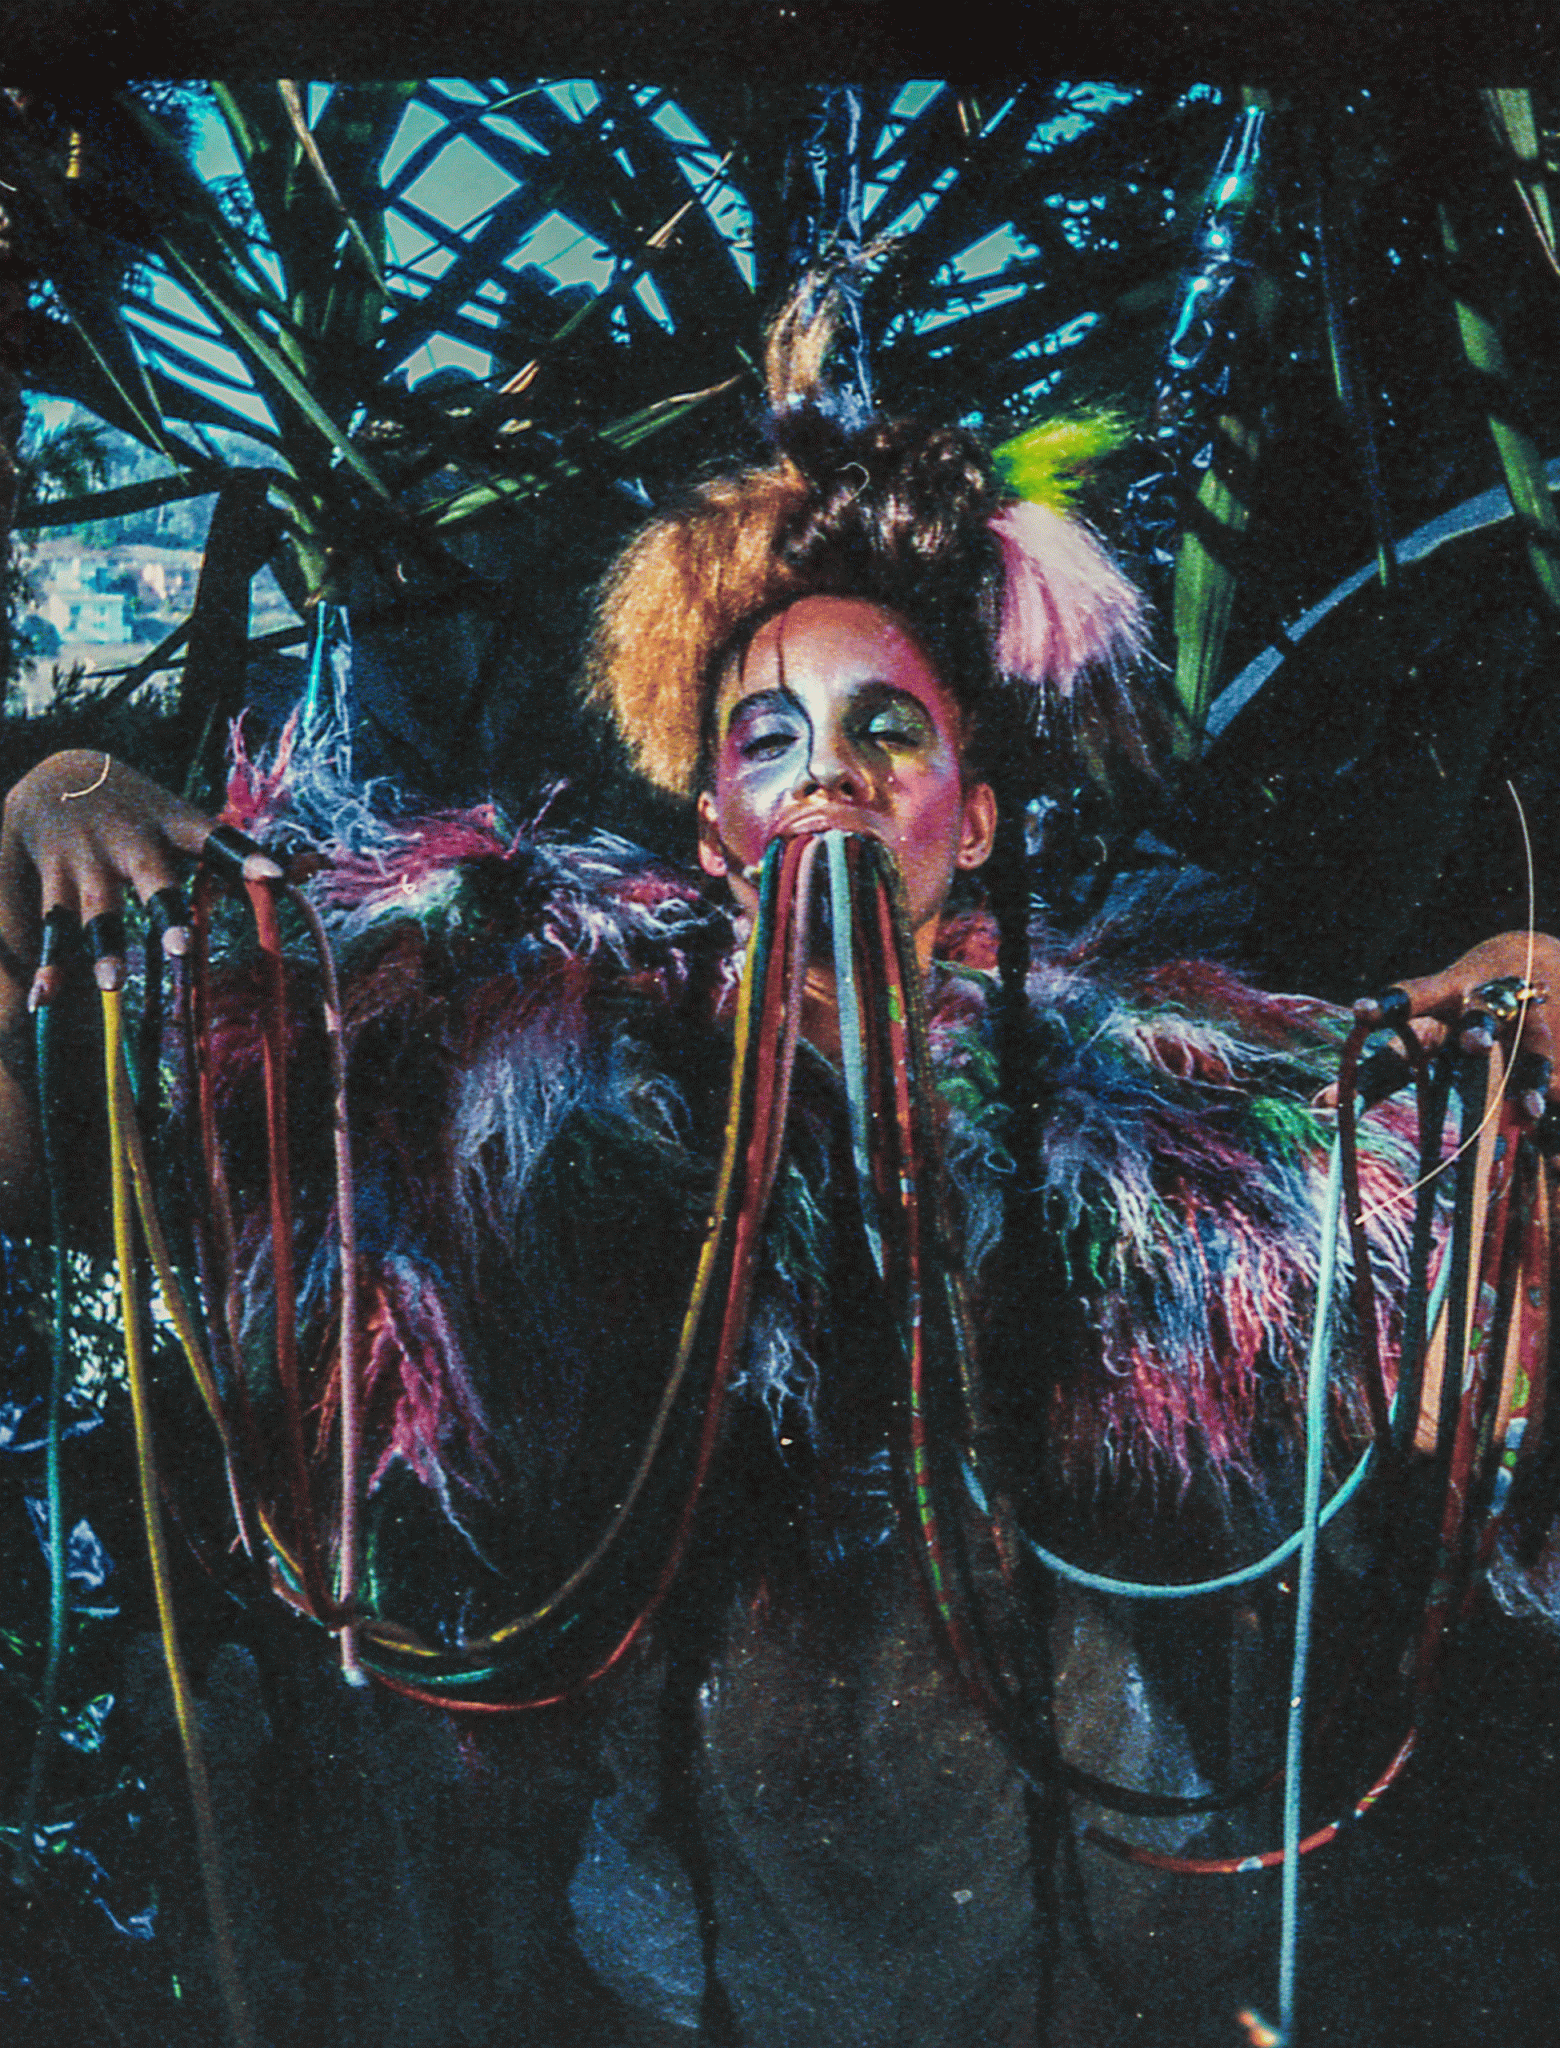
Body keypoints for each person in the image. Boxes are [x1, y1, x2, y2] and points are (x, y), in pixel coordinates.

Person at [1, 275, 1558, 2045]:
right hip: (695, 1956)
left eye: (888, 730)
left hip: (1085, 1939)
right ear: (712, 826)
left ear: (974, 816)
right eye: (772, 740)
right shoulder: (526, 1070)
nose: (829, 776)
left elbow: (1439, 1308)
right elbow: (80, 1150)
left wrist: (1498, 1030)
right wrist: (47, 805)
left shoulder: (1141, 1098)